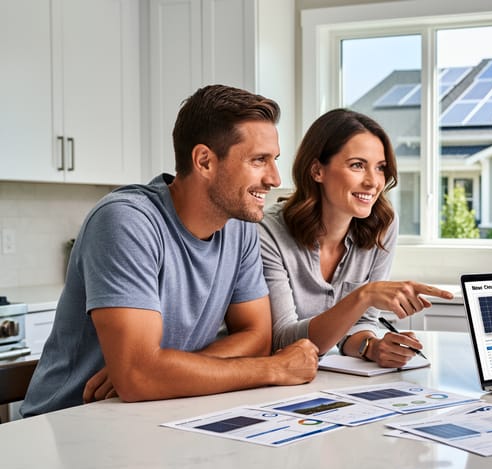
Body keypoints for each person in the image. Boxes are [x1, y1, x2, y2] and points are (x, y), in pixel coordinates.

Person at [21, 85, 320, 417]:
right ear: (204, 160)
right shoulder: (126, 221)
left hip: (156, 413)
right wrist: (275, 369)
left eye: (273, 160)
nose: (274, 178)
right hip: (69, 424)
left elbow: (257, 336)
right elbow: (138, 379)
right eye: (259, 160)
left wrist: (159, 369)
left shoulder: (241, 228)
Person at [258, 108, 453, 368]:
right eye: (357, 166)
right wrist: (364, 295)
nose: (373, 182)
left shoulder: (383, 224)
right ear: (317, 170)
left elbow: (361, 323)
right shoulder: (267, 233)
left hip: (321, 382)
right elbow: (282, 342)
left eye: (381, 168)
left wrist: (371, 347)